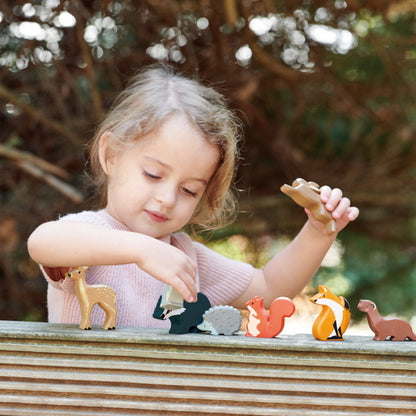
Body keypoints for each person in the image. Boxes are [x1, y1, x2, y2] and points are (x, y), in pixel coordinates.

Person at [27, 64, 359, 328]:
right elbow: (42, 242)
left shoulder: (186, 258)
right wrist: (141, 250)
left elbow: (270, 288)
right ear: (112, 155)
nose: (167, 198)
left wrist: (318, 233)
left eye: (189, 190)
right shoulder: (86, 236)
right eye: (153, 175)